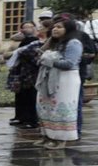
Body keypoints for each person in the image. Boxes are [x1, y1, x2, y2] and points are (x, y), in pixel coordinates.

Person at [35, 17, 83, 149]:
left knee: (61, 108)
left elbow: (69, 63)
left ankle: (61, 139)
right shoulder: (55, 42)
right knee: (46, 107)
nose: (55, 29)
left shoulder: (73, 43)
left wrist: (48, 61)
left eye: (59, 27)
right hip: (50, 76)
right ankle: (48, 135)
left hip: (66, 79)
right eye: (54, 27)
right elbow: (40, 54)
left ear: (68, 29)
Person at [6, 22, 42, 129]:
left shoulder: (35, 41)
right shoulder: (21, 41)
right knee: (21, 96)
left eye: (29, 27)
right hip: (20, 72)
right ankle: (21, 117)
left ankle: (32, 120)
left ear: (34, 28)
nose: (26, 29)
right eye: (24, 27)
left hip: (31, 72)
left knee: (30, 96)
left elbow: (28, 54)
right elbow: (8, 53)